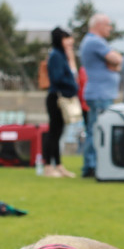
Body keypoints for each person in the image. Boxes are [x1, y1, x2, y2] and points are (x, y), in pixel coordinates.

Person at [77, 13, 123, 177]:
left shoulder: (94, 42)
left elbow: (116, 63)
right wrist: (114, 61)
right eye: (108, 25)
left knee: (94, 130)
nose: (110, 28)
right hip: (100, 94)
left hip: (100, 93)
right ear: (99, 25)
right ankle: (92, 165)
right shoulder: (95, 41)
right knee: (98, 131)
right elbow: (116, 59)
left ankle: (92, 164)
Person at [44, 27, 78, 178]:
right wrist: (71, 83)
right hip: (57, 98)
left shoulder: (62, 55)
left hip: (61, 96)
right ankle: (48, 166)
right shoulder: (56, 56)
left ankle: (58, 165)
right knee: (54, 133)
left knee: (58, 133)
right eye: (66, 38)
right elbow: (57, 78)